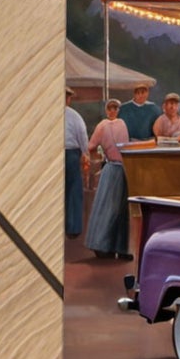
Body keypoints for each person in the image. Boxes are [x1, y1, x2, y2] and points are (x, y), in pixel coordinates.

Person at [85, 99, 131, 259]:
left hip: (123, 168)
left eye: (115, 108)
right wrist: (102, 153)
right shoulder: (102, 126)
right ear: (106, 110)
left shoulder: (123, 123)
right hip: (112, 168)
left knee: (121, 209)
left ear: (118, 110)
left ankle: (119, 247)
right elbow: (90, 146)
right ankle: (103, 245)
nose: (112, 111)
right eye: (110, 108)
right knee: (109, 207)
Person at [64, 88, 89, 236]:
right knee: (73, 190)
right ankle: (72, 229)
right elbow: (82, 136)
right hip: (71, 155)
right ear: (68, 99)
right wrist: (85, 153)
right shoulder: (74, 116)